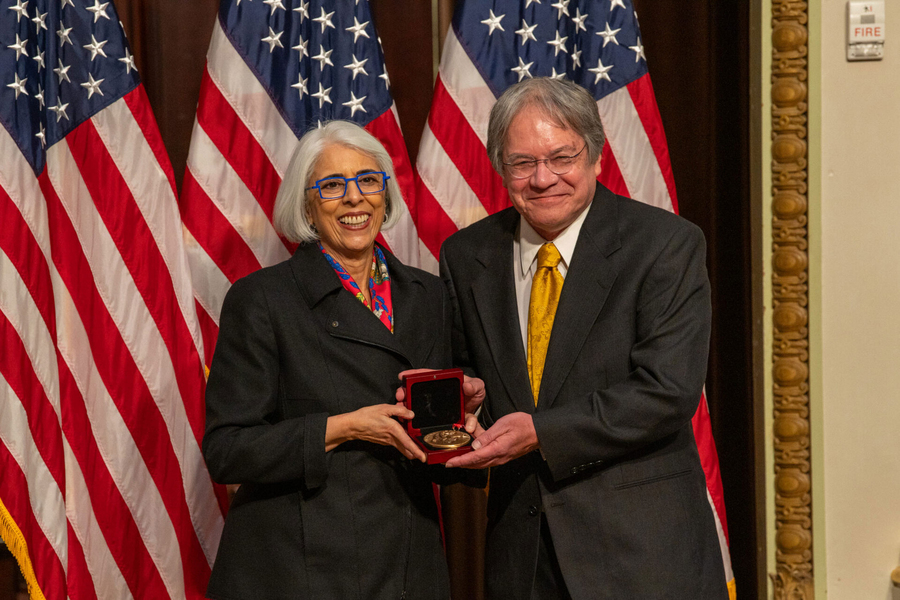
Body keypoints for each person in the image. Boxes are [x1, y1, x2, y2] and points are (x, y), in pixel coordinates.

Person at [440, 78, 729, 599]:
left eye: (561, 157)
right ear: (500, 168)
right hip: (522, 555)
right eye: (522, 163)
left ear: (595, 154)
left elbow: (667, 391)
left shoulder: (664, 245)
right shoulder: (467, 255)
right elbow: (469, 373)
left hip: (640, 554)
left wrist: (542, 433)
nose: (543, 178)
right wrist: (467, 402)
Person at [202, 120, 481, 599]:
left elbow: (432, 451)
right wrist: (344, 427)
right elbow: (227, 451)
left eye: (369, 181)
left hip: (406, 560)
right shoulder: (261, 300)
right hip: (300, 567)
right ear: (307, 204)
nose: (355, 198)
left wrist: (461, 425)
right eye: (332, 186)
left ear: (385, 194)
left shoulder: (427, 294)